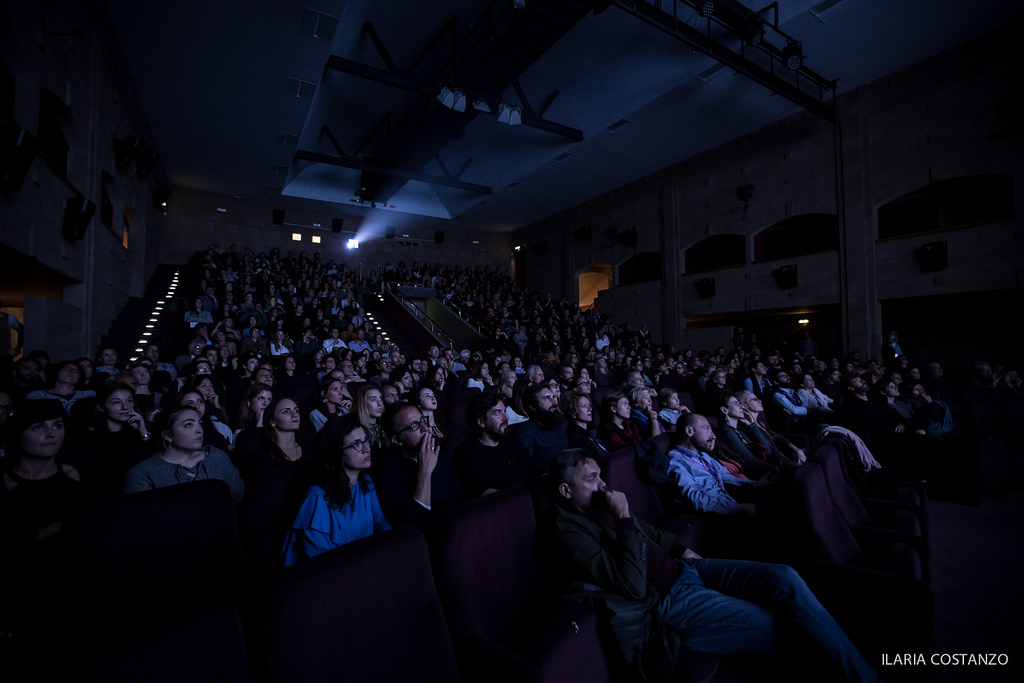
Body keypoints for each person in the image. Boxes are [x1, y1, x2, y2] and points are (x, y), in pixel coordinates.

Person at [545, 449, 881, 683]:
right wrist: (622, 518)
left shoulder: (598, 506)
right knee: (787, 627)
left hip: (688, 570)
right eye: (592, 479)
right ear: (565, 489)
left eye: (601, 476)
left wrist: (683, 551)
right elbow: (631, 583)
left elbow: (651, 533)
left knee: (784, 576)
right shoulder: (568, 534)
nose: (603, 485)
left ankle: (858, 668)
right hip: (669, 604)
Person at [282, 414, 391, 567]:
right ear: (337, 453)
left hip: (362, 565)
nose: (366, 448)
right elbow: (323, 564)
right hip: (328, 577)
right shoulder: (315, 499)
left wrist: (394, 548)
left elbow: (380, 523)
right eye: (356, 444)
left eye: (366, 440)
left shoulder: (365, 482)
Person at [372, 402, 465, 530]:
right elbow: (412, 525)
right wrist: (425, 472)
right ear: (397, 440)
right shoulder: (387, 470)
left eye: (422, 420)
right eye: (414, 426)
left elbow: (460, 500)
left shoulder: (441, 456)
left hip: (456, 528)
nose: (424, 428)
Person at [123, 407, 244, 503]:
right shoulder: (142, 474)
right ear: (167, 435)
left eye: (200, 423)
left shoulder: (218, 458)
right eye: (188, 425)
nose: (199, 430)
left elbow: (238, 501)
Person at [454, 387, 527, 497]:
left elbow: (532, 469)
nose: (506, 417)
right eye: (497, 413)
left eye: (504, 411)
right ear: (481, 422)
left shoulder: (511, 441)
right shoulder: (467, 452)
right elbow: (484, 492)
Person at [234, 396, 312, 477]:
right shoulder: (263, 457)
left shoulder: (309, 449)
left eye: (296, 410)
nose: (294, 415)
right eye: (286, 412)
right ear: (272, 422)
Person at [509, 381, 569, 478]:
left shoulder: (558, 426)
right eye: (547, 398)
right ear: (532, 406)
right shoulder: (524, 433)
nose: (554, 402)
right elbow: (526, 469)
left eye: (553, 397)